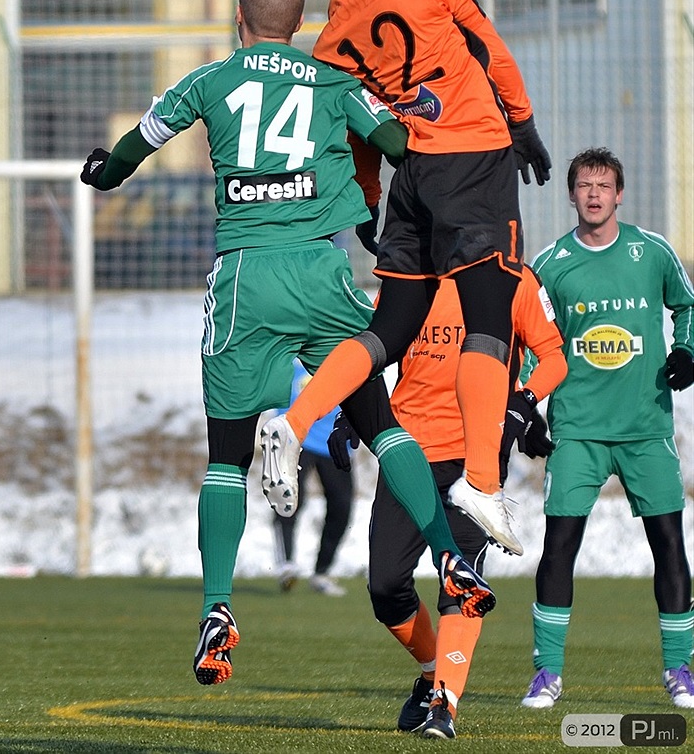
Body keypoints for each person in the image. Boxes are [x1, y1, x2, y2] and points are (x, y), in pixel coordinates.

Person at [80, 0, 496, 687]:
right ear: (298, 26)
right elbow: (398, 145)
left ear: (240, 22)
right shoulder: (332, 82)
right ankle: (452, 561)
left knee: (224, 457)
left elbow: (138, 144)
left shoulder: (208, 80)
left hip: (247, 276)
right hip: (322, 273)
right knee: (382, 424)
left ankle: (217, 608)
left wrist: (105, 174)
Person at [261, 0, 552, 557]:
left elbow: (356, 131)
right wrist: (523, 122)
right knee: (488, 323)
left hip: (413, 177)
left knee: (390, 329)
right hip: (474, 160)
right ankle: (482, 481)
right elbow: (489, 45)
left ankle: (295, 418)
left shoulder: (332, 42)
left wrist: (367, 198)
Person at [329, 270, 566, 738]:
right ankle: (430, 671)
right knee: (385, 586)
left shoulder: (511, 277)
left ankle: (445, 701)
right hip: (405, 450)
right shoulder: (406, 278)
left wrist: (523, 403)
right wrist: (349, 414)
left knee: (461, 584)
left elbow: (554, 358)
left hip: (474, 455)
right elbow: (375, 353)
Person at [520, 147, 694, 710]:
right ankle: (547, 674)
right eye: (584, 186)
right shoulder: (550, 265)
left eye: (604, 185)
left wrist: (688, 350)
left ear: (620, 194)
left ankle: (679, 671)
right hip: (578, 430)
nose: (594, 194)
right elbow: (526, 339)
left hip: (646, 427)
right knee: (559, 545)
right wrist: (528, 406)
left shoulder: (653, 253)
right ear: (571, 195)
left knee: (668, 545)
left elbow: (687, 308)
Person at [270, 361, 353, 597]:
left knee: (342, 506)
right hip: (299, 439)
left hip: (335, 443)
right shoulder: (294, 364)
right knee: (290, 498)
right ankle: (286, 564)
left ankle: (322, 572)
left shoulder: (347, 363)